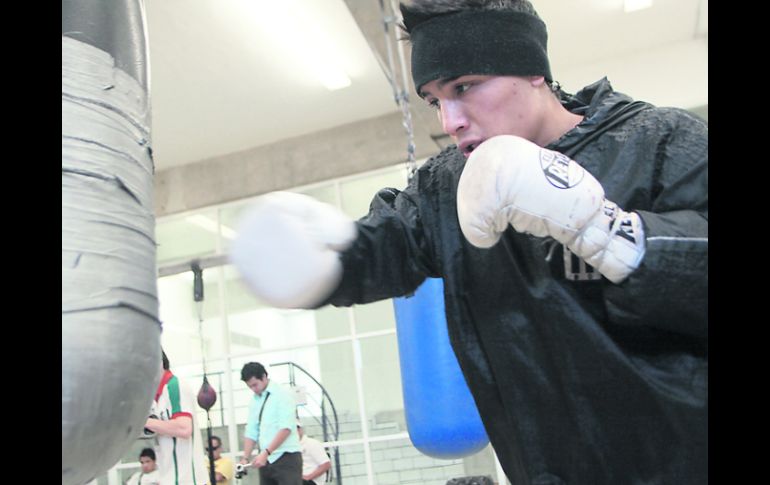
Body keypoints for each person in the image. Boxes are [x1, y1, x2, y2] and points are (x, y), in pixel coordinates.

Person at [229, 1, 708, 484]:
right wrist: (326, 262)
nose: (449, 120)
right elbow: (388, 244)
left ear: (531, 70)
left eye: (464, 87)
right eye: (436, 100)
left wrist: (610, 232)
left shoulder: (658, 141)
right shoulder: (445, 189)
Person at [144, 351, 208, 485]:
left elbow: (184, 428)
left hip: (187, 480)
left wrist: (145, 422)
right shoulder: (155, 398)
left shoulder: (175, 387)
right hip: (170, 478)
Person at [239, 362, 302, 485]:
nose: (253, 389)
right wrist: (245, 457)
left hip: (286, 456)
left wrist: (267, 452)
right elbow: (251, 430)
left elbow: (286, 428)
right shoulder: (255, 400)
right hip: (265, 459)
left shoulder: (282, 394)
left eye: (255, 385)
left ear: (263, 377)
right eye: (250, 387)